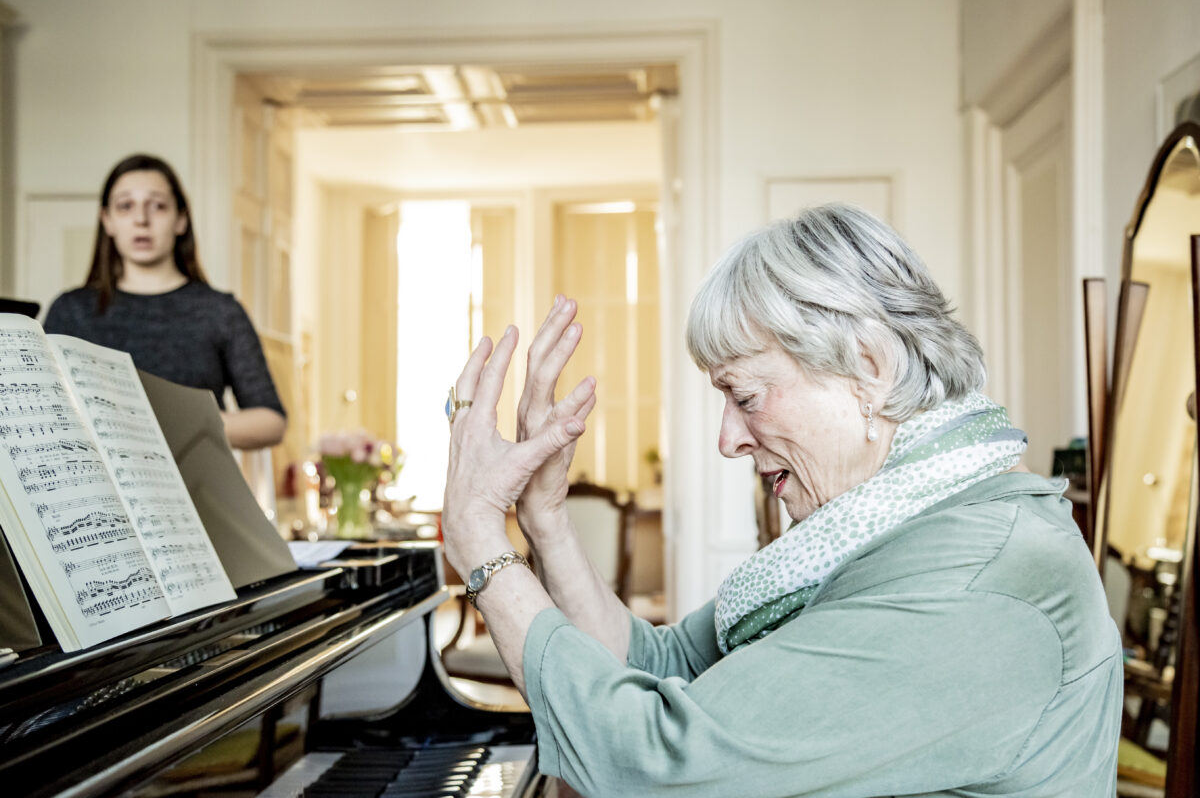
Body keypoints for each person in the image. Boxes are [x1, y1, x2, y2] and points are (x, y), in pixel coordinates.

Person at [441, 204, 1121, 797]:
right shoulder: (897, 520)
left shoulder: (976, 585)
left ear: (869, 369)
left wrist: (479, 536)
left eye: (745, 396)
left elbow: (646, 767)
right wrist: (545, 521)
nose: (727, 440)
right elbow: (666, 665)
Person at [43, 154, 286, 450]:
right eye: (125, 206)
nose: (141, 220)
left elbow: (271, 421)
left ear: (181, 219)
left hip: (197, 488)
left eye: (157, 206)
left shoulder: (220, 311)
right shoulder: (71, 311)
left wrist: (175, 423)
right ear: (107, 220)